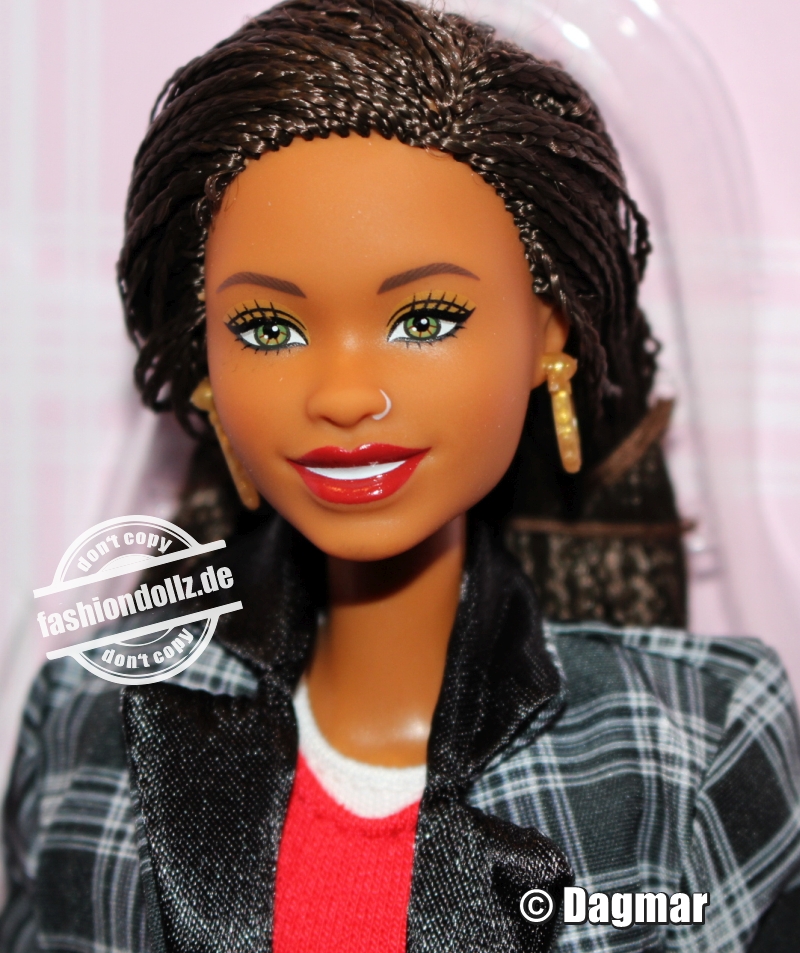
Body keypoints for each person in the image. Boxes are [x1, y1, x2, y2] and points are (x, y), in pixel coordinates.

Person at [2, 2, 799, 951]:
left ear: (547, 334)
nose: (344, 395)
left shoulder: (694, 741)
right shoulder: (89, 726)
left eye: (425, 319)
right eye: (267, 328)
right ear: (207, 365)